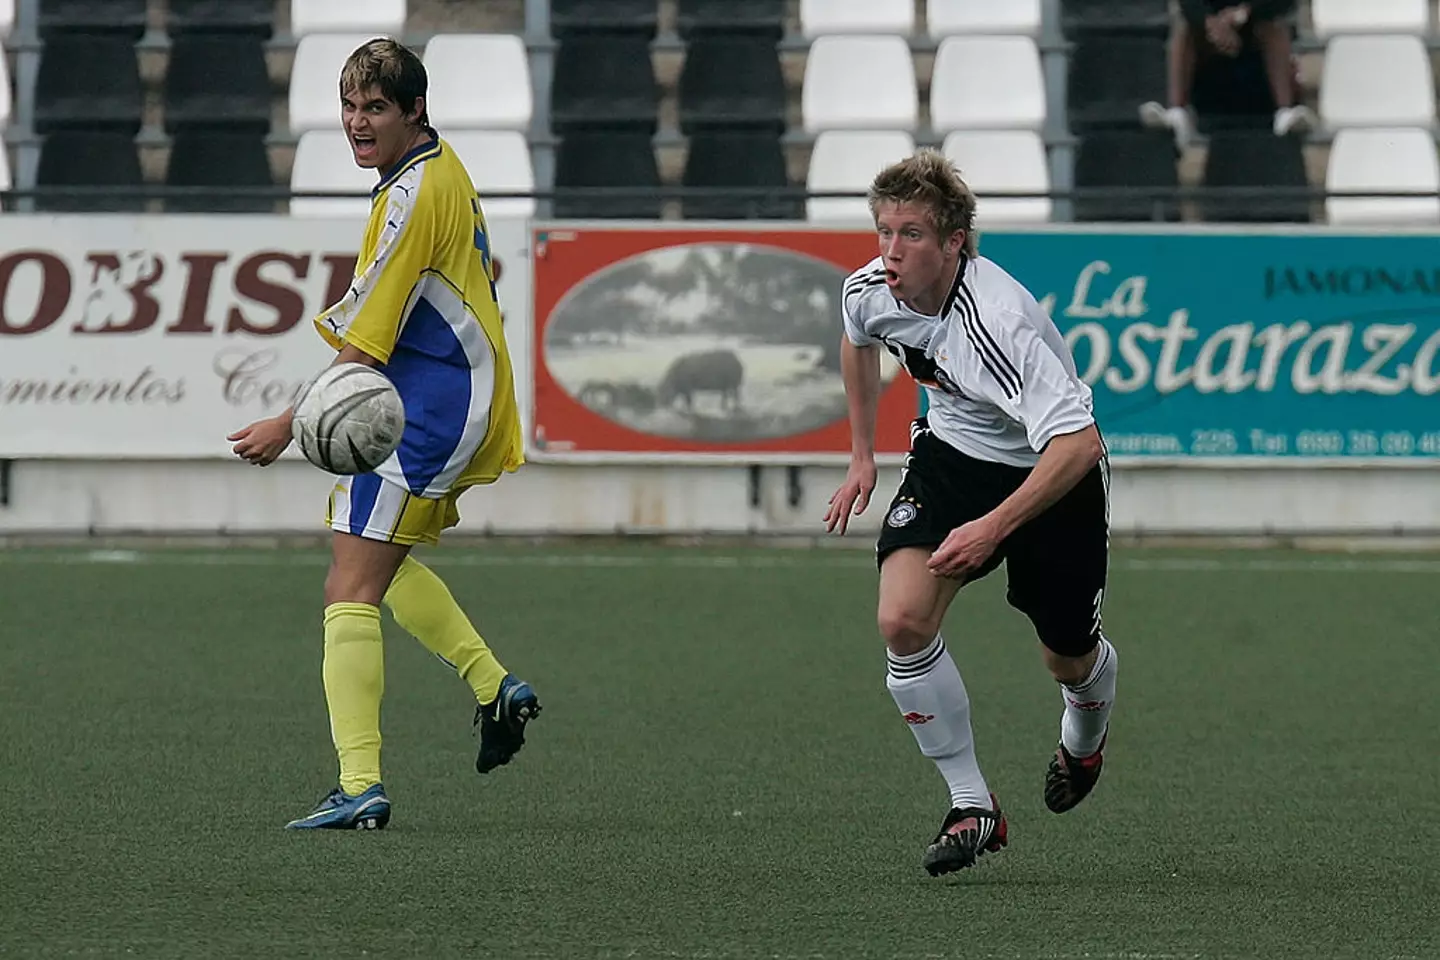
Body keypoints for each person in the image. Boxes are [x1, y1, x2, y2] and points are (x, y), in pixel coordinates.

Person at [227, 38, 541, 831]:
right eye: (349, 106)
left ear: (415, 110)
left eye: (375, 108)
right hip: (435, 392)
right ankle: (494, 688)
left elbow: (366, 344)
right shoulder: (431, 166)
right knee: (366, 555)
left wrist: (289, 425)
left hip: (431, 404)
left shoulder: (411, 197)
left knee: (349, 587)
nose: (357, 123)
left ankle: (360, 784)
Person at [823, 149, 1119, 876]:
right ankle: (972, 804)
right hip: (952, 460)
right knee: (902, 620)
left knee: (1067, 654)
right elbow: (857, 342)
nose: (892, 251)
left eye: (912, 234)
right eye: (884, 231)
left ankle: (1085, 734)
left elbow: (1079, 444)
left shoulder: (998, 320)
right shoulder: (869, 289)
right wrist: (861, 453)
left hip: (1051, 474)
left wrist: (994, 527)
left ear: (954, 242)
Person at [1140, 0, 1313, 149]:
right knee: (1183, 28)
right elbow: (1187, 4)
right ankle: (1178, 113)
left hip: (1257, 56)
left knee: (1275, 26)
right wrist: (1211, 23)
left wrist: (1244, 13)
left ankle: (1284, 112)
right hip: (1209, 53)